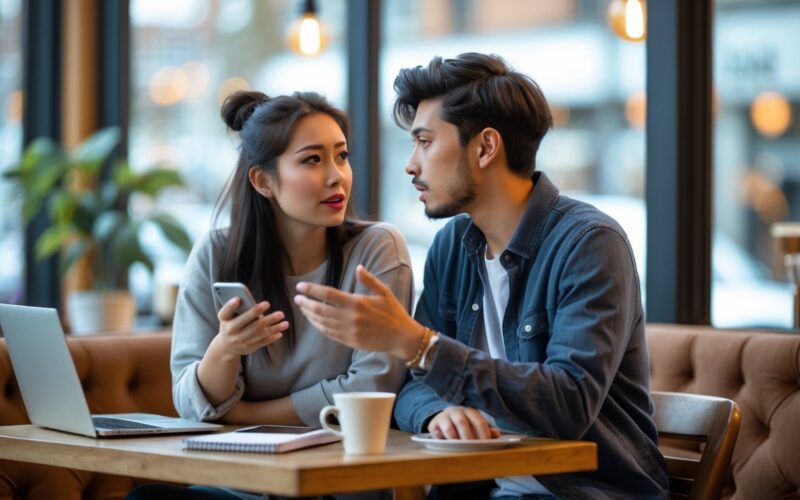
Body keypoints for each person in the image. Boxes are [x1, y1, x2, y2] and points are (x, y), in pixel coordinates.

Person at [293, 53, 670, 499]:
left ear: (486, 147)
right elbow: (413, 385)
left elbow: (569, 404)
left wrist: (420, 346)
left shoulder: (589, 243)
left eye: (426, 142)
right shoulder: (453, 245)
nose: (411, 164)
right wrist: (435, 413)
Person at [128, 90, 410, 500]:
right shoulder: (215, 255)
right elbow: (192, 406)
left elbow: (369, 389)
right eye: (312, 159)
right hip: (238, 486)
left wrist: (245, 416)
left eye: (342, 156)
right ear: (263, 181)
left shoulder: (376, 250)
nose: (336, 176)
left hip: (334, 488)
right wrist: (225, 349)